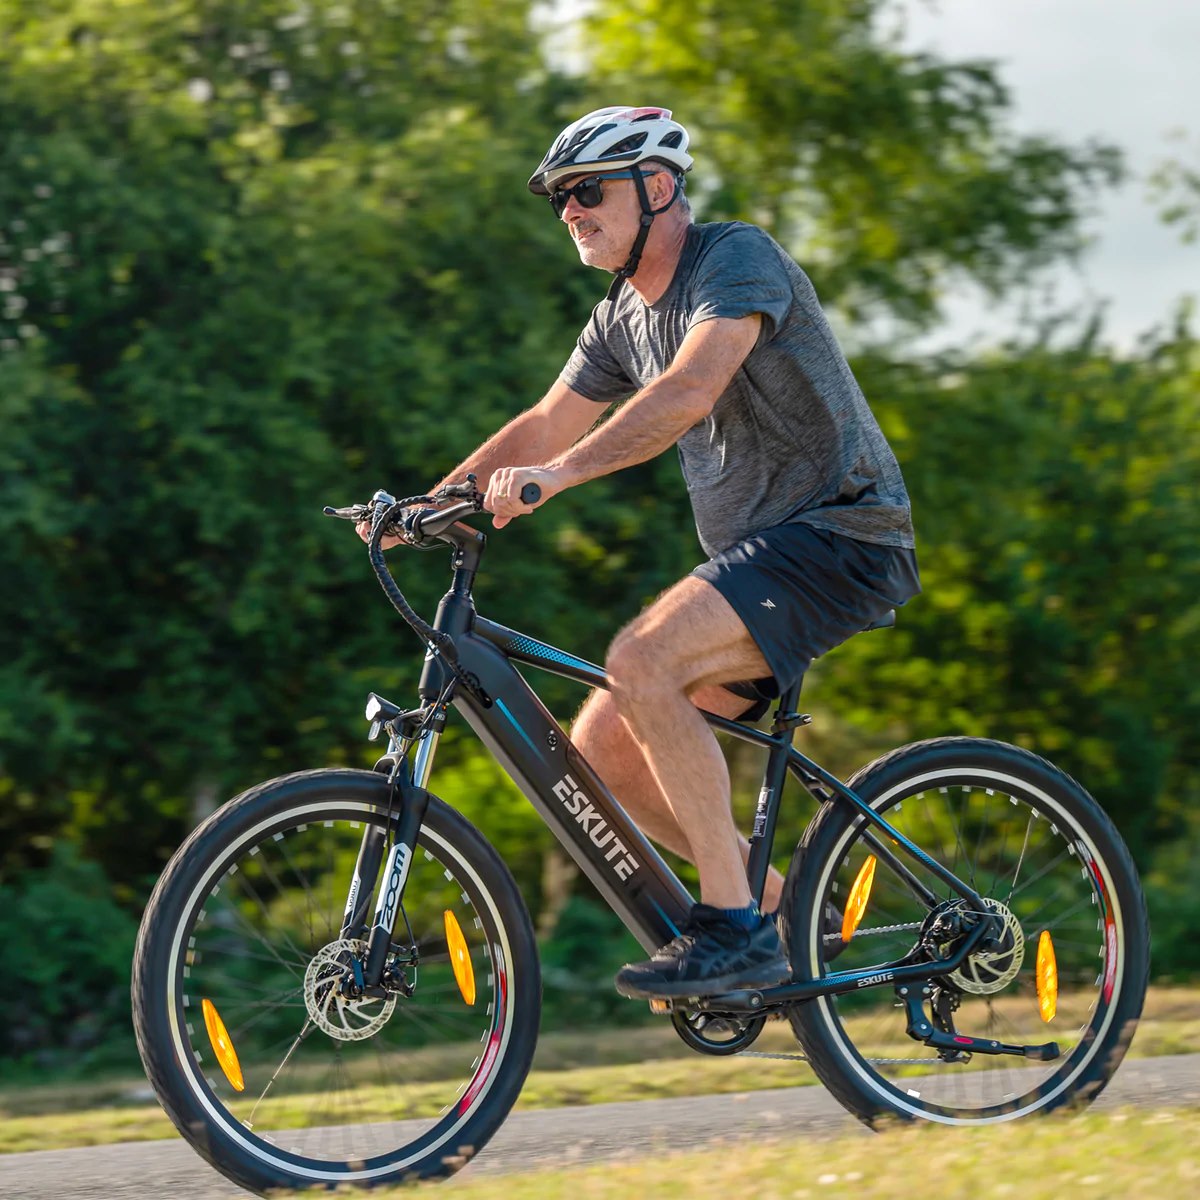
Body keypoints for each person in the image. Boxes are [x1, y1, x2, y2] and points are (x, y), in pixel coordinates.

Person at [366, 105, 920, 999]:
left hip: (840, 537)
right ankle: (784, 917)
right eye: (559, 199)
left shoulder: (733, 259)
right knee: (604, 747)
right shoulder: (618, 318)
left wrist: (558, 477)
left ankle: (732, 928)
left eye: (587, 190)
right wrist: (432, 504)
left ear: (657, 187)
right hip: (761, 563)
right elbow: (545, 421)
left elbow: (690, 388)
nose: (570, 211)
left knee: (641, 660)